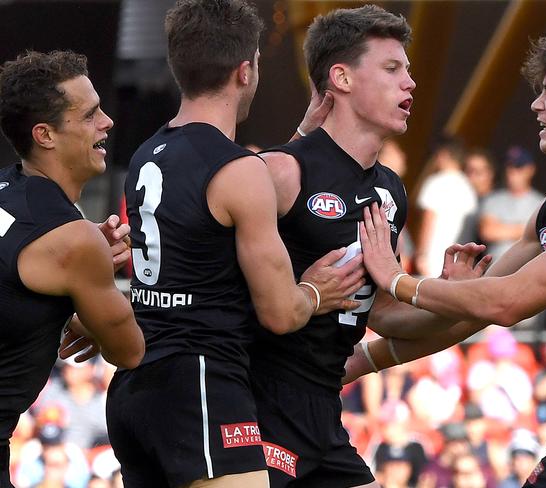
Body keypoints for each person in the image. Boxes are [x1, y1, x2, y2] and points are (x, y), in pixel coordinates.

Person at [352, 28, 546, 487]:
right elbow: (468, 316)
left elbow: (505, 304)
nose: (536, 105)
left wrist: (396, 279)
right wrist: (362, 360)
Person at [105, 1, 364, 488]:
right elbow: (281, 314)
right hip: (201, 382)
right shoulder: (238, 171)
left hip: (136, 385)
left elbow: (215, 197)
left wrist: (302, 135)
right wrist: (314, 292)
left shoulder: (148, 154)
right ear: (246, 71)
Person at [249, 5, 486, 487]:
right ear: (342, 78)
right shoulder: (282, 171)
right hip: (258, 405)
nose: (411, 83)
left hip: (324, 412)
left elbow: (381, 313)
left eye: (409, 70)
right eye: (392, 68)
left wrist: (445, 297)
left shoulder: (391, 190)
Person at [0, 50, 145, 488]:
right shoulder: (72, 240)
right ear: (45, 135)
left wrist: (76, 288)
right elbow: (129, 351)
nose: (108, 122)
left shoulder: (8, 189)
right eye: (89, 115)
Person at [414, 138, 478, 276]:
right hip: (458, 259)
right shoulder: (468, 188)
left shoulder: (435, 182)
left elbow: (428, 219)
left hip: (433, 255)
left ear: (444, 155)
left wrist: (421, 254)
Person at [479, 146, 544, 263]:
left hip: (525, 270)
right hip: (494, 269)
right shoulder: (493, 199)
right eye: (509, 167)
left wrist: (503, 228)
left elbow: (541, 238)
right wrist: (524, 230)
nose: (512, 172)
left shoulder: (541, 202)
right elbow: (488, 231)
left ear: (530, 169)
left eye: (518, 167)